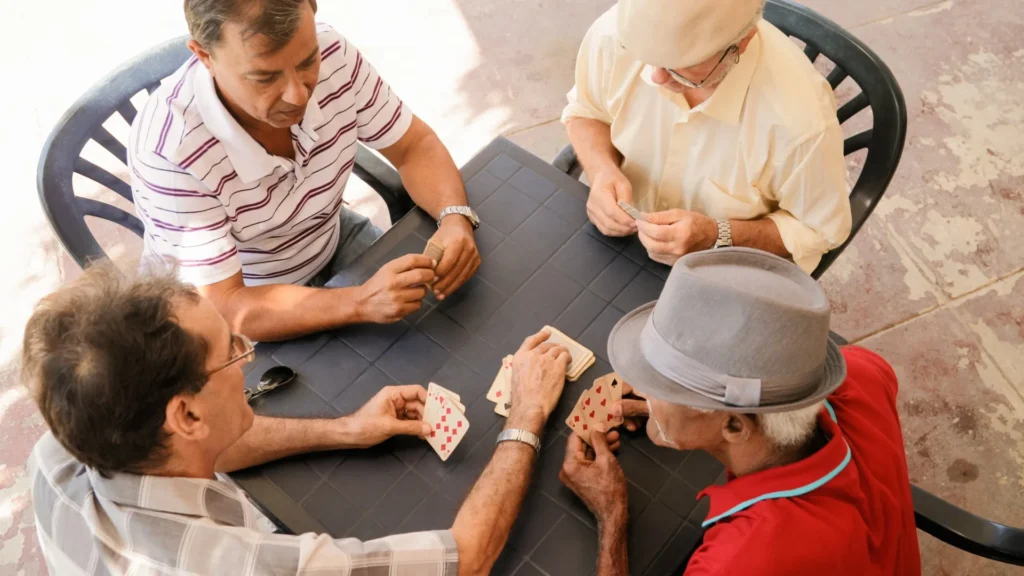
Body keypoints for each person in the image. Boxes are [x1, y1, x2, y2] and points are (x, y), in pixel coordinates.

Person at [24, 264, 597, 575]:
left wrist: (346, 428)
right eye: (232, 350)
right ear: (187, 412)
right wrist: (524, 416)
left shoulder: (62, 449)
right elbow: (463, 558)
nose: (249, 356)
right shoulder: (244, 568)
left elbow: (202, 448)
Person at [130, 0, 481, 342]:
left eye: (307, 61)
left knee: (450, 333)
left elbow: (414, 146)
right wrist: (360, 302)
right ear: (204, 56)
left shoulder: (334, 55)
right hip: (245, 299)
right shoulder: (168, 152)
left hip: (328, 235)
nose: (298, 96)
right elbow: (224, 306)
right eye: (265, 78)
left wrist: (454, 217)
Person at [559, 248, 921, 575]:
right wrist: (672, 409)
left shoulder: (737, 561)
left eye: (663, 386)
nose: (646, 390)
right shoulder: (864, 372)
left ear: (733, 424)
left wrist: (611, 513)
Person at [562, 0, 852, 274]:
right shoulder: (616, 33)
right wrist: (602, 171)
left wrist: (717, 235)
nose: (657, 78)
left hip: (727, 273)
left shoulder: (800, 124)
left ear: (744, 40)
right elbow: (587, 111)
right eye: (649, 59)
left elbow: (817, 230)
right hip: (620, 245)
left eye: (683, 67)